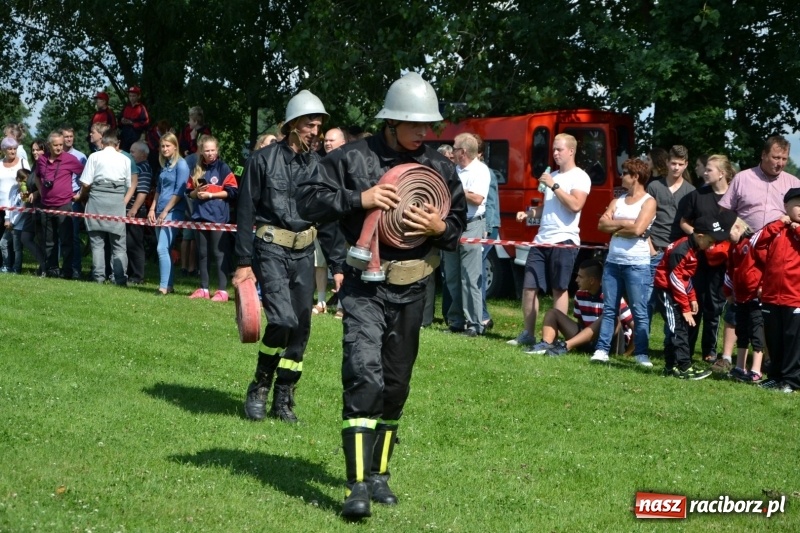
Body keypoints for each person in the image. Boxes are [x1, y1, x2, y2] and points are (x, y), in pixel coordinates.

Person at [294, 72, 467, 520]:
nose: (425, 134)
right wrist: (361, 197)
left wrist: (439, 228)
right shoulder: (352, 158)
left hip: (413, 288)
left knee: (396, 385)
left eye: (428, 126)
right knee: (363, 375)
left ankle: (379, 474)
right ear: (391, 122)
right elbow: (308, 201)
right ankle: (355, 485)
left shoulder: (441, 168)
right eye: (416, 125)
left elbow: (459, 225)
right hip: (363, 288)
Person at [234, 89, 341, 425]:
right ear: (293, 124)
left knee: (301, 329)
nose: (316, 132)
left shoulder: (319, 166)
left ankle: (284, 396)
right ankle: (260, 384)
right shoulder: (261, 161)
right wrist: (241, 264)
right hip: (270, 250)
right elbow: (246, 212)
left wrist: (338, 267)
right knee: (282, 320)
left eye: (319, 126)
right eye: (310, 125)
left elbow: (327, 219)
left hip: (304, 253)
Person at [509, 133, 591, 347]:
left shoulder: (579, 176)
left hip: (565, 240)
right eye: (553, 150)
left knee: (558, 288)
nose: (555, 153)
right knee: (529, 287)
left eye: (559, 150)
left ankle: (553, 337)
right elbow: (549, 208)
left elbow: (575, 205)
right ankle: (527, 334)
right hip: (542, 239)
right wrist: (529, 214)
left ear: (571, 151)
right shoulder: (552, 175)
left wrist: (554, 185)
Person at [653, 211, 737, 380]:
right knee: (677, 329)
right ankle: (683, 367)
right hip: (667, 292)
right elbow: (675, 279)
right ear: (699, 236)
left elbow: (685, 277)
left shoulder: (693, 248)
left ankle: (671, 367)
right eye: (710, 241)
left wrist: (691, 297)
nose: (712, 245)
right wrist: (685, 307)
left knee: (680, 328)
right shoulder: (681, 250)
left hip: (677, 291)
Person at [590, 158, 656, 365]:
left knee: (640, 310)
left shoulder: (649, 201)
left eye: (625, 172)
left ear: (635, 177)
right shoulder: (616, 201)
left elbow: (638, 230)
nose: (621, 176)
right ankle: (602, 350)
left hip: (637, 264)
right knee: (609, 309)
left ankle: (641, 354)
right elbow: (601, 224)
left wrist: (615, 226)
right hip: (613, 263)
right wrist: (625, 224)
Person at [679, 154, 735, 368]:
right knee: (695, 303)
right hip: (698, 258)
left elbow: (738, 224)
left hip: (722, 262)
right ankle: (688, 348)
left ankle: (709, 351)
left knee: (715, 307)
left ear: (722, 173)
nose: (704, 173)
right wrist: (698, 237)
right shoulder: (697, 195)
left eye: (709, 169)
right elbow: (684, 221)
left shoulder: (734, 197)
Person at [525, 259, 634, 357]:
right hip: (588, 341)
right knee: (552, 313)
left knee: (609, 317)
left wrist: (627, 353)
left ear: (592, 280)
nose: (576, 280)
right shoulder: (580, 294)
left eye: (580, 277)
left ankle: (566, 346)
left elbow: (636, 327)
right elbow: (580, 322)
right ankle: (546, 344)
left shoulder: (612, 297)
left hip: (611, 345)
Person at [751, 188, 800, 393]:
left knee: (793, 341)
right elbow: (755, 242)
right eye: (797, 204)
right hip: (771, 295)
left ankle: (792, 380)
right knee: (774, 338)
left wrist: (797, 229)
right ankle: (775, 376)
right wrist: (780, 224)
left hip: (795, 297)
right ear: (786, 206)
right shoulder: (776, 227)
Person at [442, 133, 490, 336]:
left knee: (470, 278)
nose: (451, 151)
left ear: (462, 152)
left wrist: (456, 189)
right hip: (453, 224)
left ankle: (475, 324)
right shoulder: (455, 170)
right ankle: (456, 321)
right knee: (452, 276)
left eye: (454, 148)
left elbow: (477, 198)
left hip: (472, 225)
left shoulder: (480, 170)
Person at [646, 145, 695, 321]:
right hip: (655, 247)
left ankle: (671, 346)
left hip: (677, 251)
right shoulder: (654, 186)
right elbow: (645, 219)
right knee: (647, 300)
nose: (676, 167)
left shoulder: (690, 191)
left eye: (680, 164)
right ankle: (640, 345)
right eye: (673, 163)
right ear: (667, 162)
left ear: (686, 165)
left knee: (675, 301)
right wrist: (650, 246)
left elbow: (690, 222)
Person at [186, 135, 238, 301]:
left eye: (212, 150)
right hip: (199, 217)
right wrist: (197, 193)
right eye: (206, 150)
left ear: (217, 150)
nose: (209, 153)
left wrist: (210, 194)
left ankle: (222, 290)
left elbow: (232, 192)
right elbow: (189, 193)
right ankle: (204, 288)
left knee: (219, 252)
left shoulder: (223, 168)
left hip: (218, 217)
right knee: (202, 253)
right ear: (201, 151)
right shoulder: (196, 168)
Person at [79, 129, 134, 285]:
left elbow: (86, 182)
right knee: (118, 245)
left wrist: (82, 196)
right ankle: (120, 278)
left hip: (97, 200)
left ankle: (98, 278)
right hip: (116, 202)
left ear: (102, 143)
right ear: (117, 144)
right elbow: (128, 185)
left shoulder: (94, 156)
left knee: (97, 243)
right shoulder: (125, 159)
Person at [719, 135, 798, 232]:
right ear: (764, 155)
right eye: (776, 158)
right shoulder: (742, 178)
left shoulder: (794, 183)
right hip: (746, 242)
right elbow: (725, 211)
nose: (780, 163)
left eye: (784, 159)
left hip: (780, 242)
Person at [35, 131, 84, 278]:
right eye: (56, 145)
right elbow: (37, 177)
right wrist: (41, 191)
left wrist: (80, 194)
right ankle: (52, 269)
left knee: (66, 240)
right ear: (49, 145)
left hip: (64, 205)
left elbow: (85, 175)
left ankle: (67, 271)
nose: (59, 148)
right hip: (46, 205)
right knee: (48, 240)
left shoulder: (70, 159)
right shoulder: (42, 159)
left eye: (61, 145)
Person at [312, 127, 349, 316]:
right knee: (319, 264)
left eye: (331, 140)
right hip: (322, 223)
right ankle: (321, 302)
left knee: (343, 265)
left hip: (344, 225)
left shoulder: (349, 163)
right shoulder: (318, 162)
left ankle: (343, 304)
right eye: (325, 140)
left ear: (342, 143)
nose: (327, 143)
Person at [723, 217, 764, 382]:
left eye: (727, 233)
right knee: (741, 330)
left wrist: (763, 286)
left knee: (756, 330)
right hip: (739, 296)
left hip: (755, 296)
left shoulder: (754, 244)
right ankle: (740, 366)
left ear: (738, 228)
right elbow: (730, 270)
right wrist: (728, 291)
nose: (725, 238)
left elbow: (767, 265)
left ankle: (756, 369)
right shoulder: (733, 247)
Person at [147, 132, 188, 295]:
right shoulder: (165, 165)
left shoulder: (182, 164)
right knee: (166, 248)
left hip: (174, 211)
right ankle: (169, 286)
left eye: (167, 146)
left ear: (175, 146)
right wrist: (152, 209)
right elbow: (159, 189)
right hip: (159, 211)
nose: (164, 149)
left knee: (161, 248)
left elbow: (180, 191)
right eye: (162, 146)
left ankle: (163, 287)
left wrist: (165, 211)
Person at [474, 134, 500, 330]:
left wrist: (486, 228)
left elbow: (489, 203)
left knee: (478, 273)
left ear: (480, 153)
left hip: (487, 228)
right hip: (482, 227)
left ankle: (482, 316)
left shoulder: (486, 172)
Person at [126, 141, 153, 284]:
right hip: (129, 210)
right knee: (128, 244)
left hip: (136, 212)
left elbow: (142, 192)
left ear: (143, 154)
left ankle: (137, 276)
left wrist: (134, 209)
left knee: (135, 244)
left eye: (133, 152)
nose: (130, 154)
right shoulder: (135, 167)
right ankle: (130, 274)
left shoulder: (144, 169)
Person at [119, 86, 151, 151]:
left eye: (134, 96)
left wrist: (132, 123)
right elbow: (119, 120)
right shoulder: (126, 107)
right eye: (130, 96)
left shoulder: (141, 108)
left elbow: (146, 123)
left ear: (138, 96)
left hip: (136, 136)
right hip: (125, 136)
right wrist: (122, 121)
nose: (131, 98)